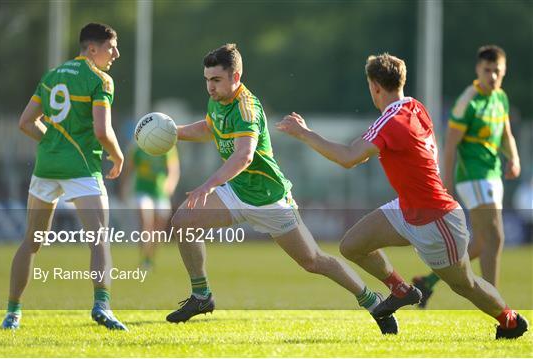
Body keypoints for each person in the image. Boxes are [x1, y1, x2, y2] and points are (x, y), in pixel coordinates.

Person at [276, 53, 528, 339]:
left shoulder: (391, 121)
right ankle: (400, 289)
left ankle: (509, 320)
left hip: (437, 220)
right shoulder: (414, 106)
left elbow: (348, 157)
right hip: (408, 209)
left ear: (375, 87)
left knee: (464, 284)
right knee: (353, 245)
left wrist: (305, 133)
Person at [165, 44, 398, 334]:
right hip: (237, 192)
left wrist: (207, 185)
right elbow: (209, 128)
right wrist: (174, 133)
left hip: (269, 199)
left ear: (236, 76)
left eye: (216, 80)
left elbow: (244, 155)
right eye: (207, 80)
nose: (210, 87)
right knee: (183, 223)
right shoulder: (218, 101)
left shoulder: (246, 107)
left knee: (314, 261)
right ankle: (202, 296)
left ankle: (372, 301)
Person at [1, 23, 127, 330]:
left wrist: (52, 143)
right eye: (111, 47)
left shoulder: (52, 75)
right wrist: (118, 154)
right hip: (81, 168)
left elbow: (26, 123)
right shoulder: (101, 80)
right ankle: (102, 306)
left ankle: (13, 313)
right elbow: (102, 130)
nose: (116, 54)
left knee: (31, 242)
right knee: (99, 240)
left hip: (46, 167)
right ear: (92, 49)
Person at [413, 45, 521, 307]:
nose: (493, 76)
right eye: (488, 70)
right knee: (495, 237)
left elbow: (505, 133)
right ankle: (497, 306)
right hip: (473, 176)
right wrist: (446, 183)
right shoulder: (467, 101)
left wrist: (514, 157)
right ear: (478, 70)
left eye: (498, 71)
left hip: (492, 174)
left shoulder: (500, 98)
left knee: (481, 243)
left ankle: (426, 284)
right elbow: (450, 145)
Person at [121, 144, 180, 269]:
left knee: (159, 228)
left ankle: (150, 257)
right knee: (146, 223)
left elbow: (174, 170)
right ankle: (144, 258)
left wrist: (170, 185)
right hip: (142, 191)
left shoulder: (166, 147)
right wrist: (124, 187)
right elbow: (129, 168)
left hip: (160, 192)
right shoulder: (137, 148)